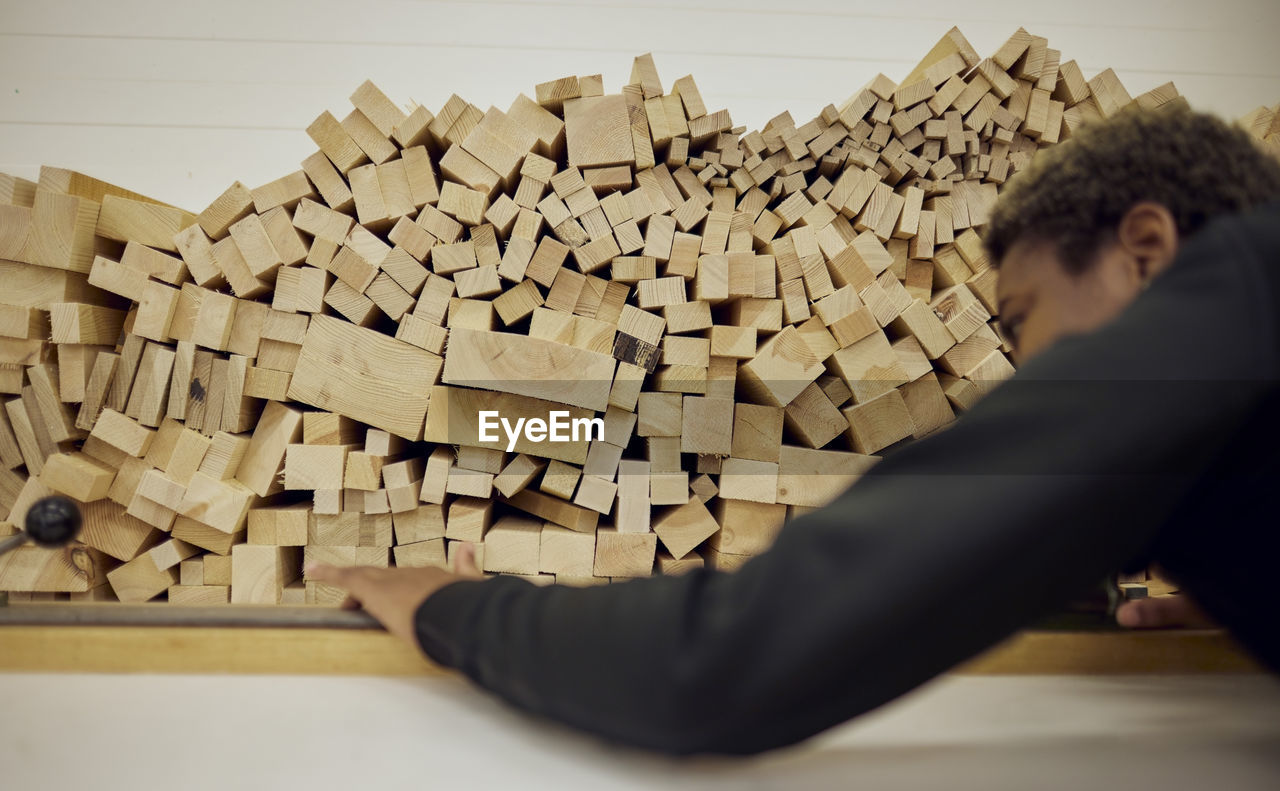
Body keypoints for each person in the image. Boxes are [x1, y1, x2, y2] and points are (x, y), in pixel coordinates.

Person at [307, 105, 1280, 756]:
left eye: (1022, 317)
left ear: (1144, 251)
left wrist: (450, 606)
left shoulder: (1229, 299)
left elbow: (722, 663)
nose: (1022, 366)